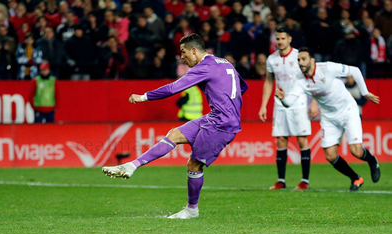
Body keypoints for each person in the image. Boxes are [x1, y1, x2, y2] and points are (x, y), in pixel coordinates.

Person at [102, 34, 248, 219]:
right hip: (218, 117)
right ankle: (132, 165)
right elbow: (242, 87)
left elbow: (173, 88)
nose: (182, 57)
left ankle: (191, 210)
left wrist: (143, 97)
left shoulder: (204, 66)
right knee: (174, 134)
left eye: (184, 52)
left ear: (194, 50)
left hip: (222, 123)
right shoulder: (224, 62)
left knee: (194, 164)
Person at [275, 47, 381, 191]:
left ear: (312, 60)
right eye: (299, 60)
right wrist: (282, 99)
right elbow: (289, 102)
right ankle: (356, 178)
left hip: (348, 111)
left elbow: (355, 70)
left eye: (304, 59)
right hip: (329, 117)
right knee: (330, 156)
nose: (301, 62)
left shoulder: (328, 68)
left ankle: (372, 160)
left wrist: (365, 92)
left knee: (356, 151)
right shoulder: (300, 80)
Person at [258, 27, 318, 190]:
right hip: (280, 104)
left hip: (299, 103)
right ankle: (281, 181)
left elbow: (311, 77)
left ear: (290, 39)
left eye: (283, 38)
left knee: (301, 139)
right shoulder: (272, 59)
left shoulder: (299, 56)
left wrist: (313, 102)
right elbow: (269, 81)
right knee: (281, 140)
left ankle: (305, 181)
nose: (280, 41)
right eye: (277, 39)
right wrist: (264, 105)